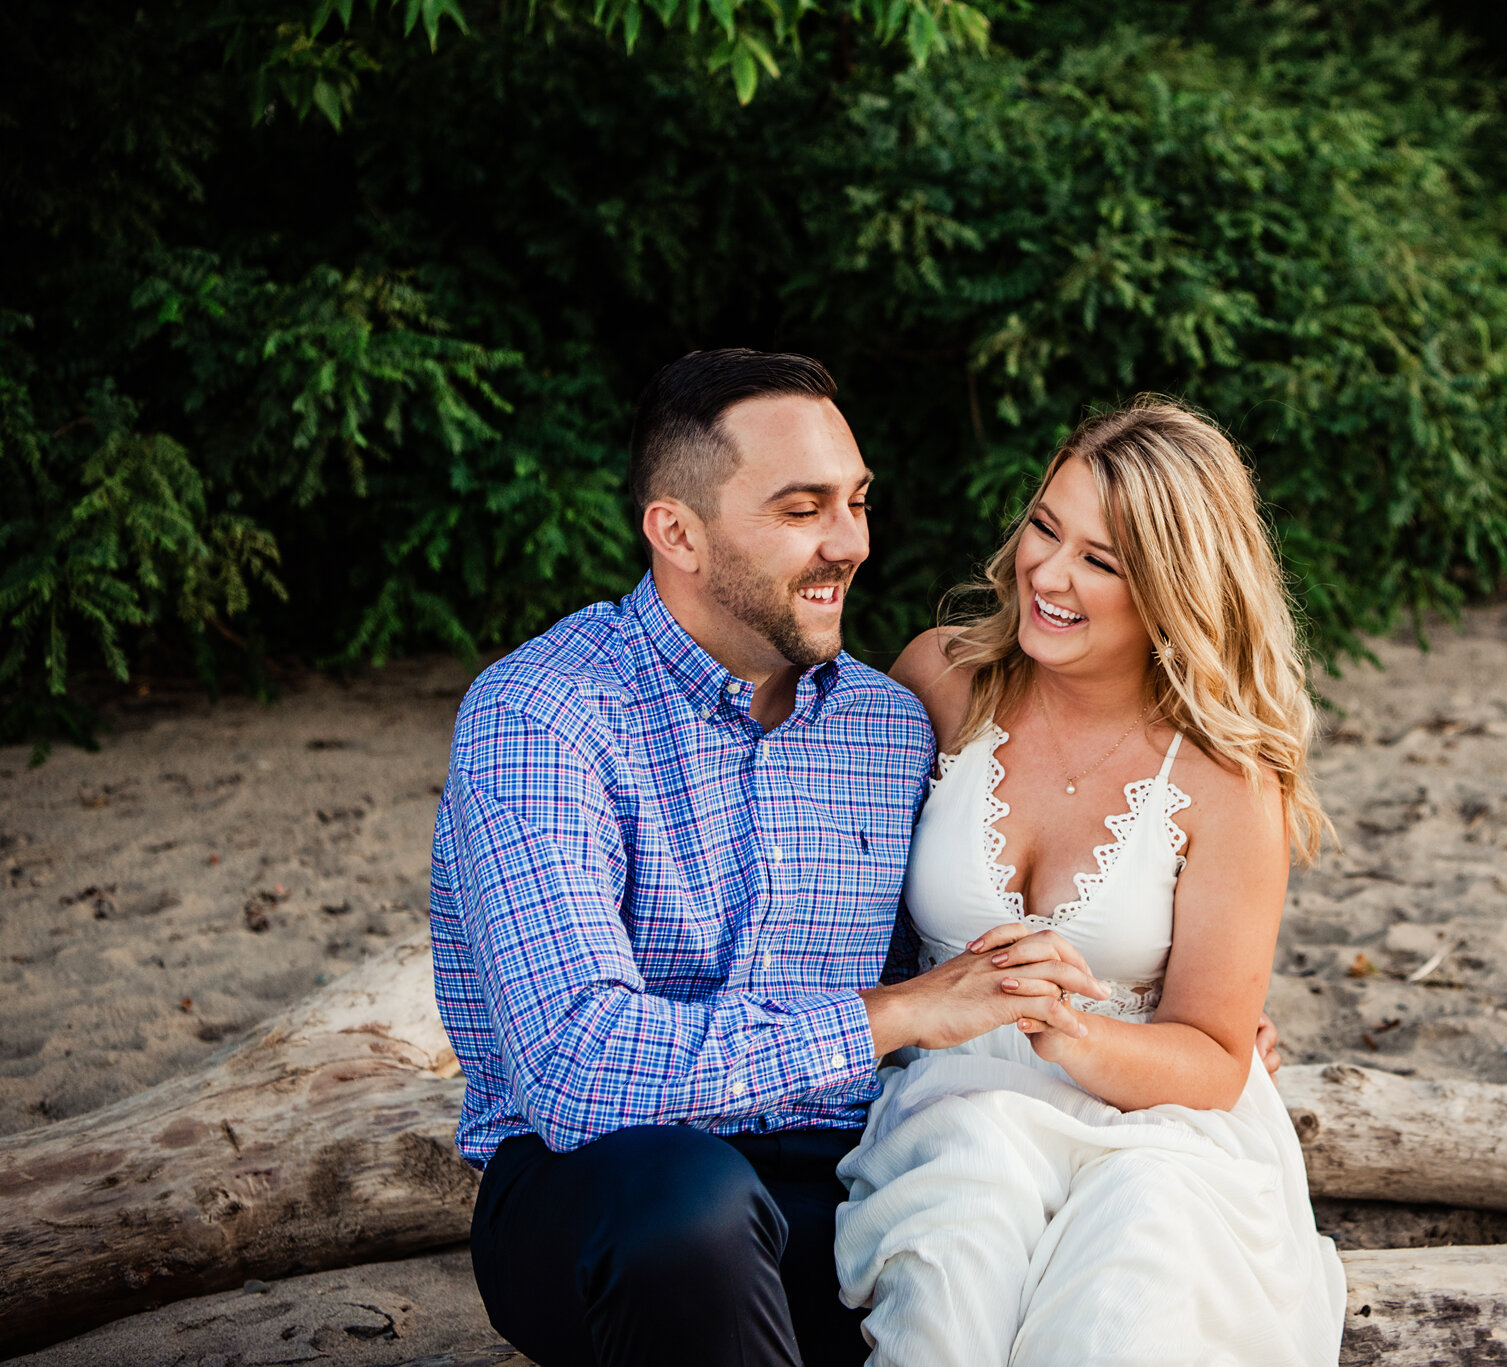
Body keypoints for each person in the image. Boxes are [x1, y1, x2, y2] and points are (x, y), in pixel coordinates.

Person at [430, 348, 1287, 1367]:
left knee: (1021, 1256)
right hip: (612, 1184)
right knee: (694, 1210)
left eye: (856, 502)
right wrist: (902, 1012)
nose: (849, 542)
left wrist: (1161, 1030)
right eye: (802, 509)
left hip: (844, 1170)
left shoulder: (885, 722)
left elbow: (948, 959)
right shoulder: (543, 717)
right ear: (677, 532)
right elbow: (578, 1068)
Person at [836, 400, 1347, 1364]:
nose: (1048, 573)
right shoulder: (941, 681)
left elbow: (1210, 1057)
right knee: (960, 1241)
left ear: (1174, 589)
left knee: (1135, 1266)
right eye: (1044, 526)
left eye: (1101, 560)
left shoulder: (1227, 778)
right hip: (954, 1100)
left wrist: (1066, 1024)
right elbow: (828, 893)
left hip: (1156, 1123)